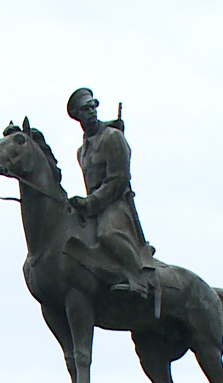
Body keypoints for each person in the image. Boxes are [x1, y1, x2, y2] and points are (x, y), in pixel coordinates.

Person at [67, 88, 159, 302]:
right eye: (85, 108)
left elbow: (119, 180)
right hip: (94, 206)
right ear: (77, 115)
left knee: (109, 234)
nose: (91, 111)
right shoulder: (82, 152)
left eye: (93, 106)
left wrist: (92, 202)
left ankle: (139, 280)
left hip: (114, 203)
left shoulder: (112, 137)